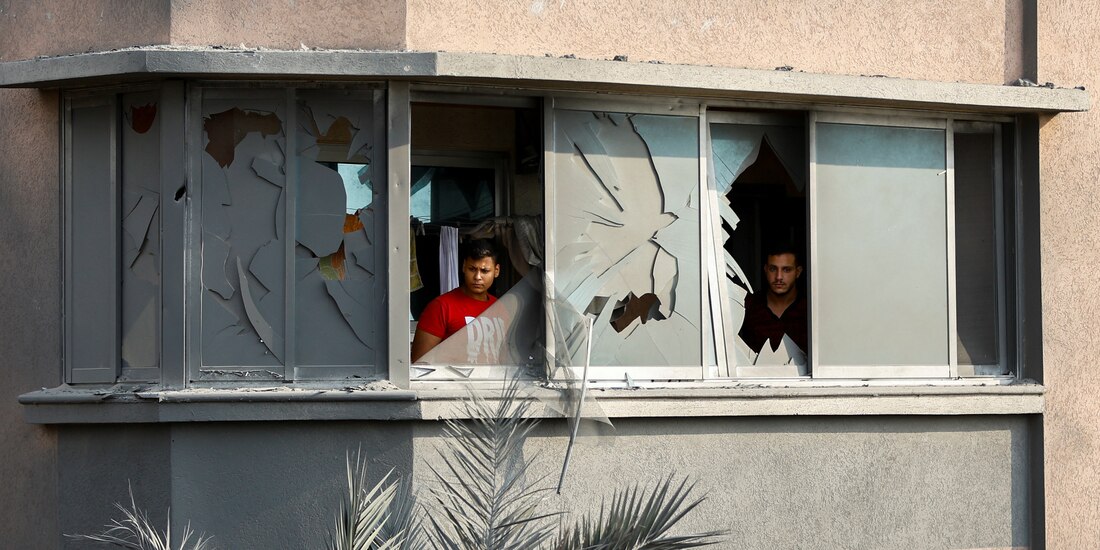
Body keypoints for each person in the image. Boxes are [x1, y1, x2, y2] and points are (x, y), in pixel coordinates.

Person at [411, 239, 501, 362]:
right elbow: (419, 364)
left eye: (485, 271)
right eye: (472, 269)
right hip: (453, 381)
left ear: (496, 271)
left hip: (495, 380)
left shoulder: (500, 307)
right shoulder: (441, 307)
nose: (477, 277)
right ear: (464, 267)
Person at [738, 243, 808, 354]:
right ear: (765, 270)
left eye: (786, 270)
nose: (779, 277)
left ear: (798, 272)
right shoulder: (748, 306)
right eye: (773, 269)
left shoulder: (809, 309)